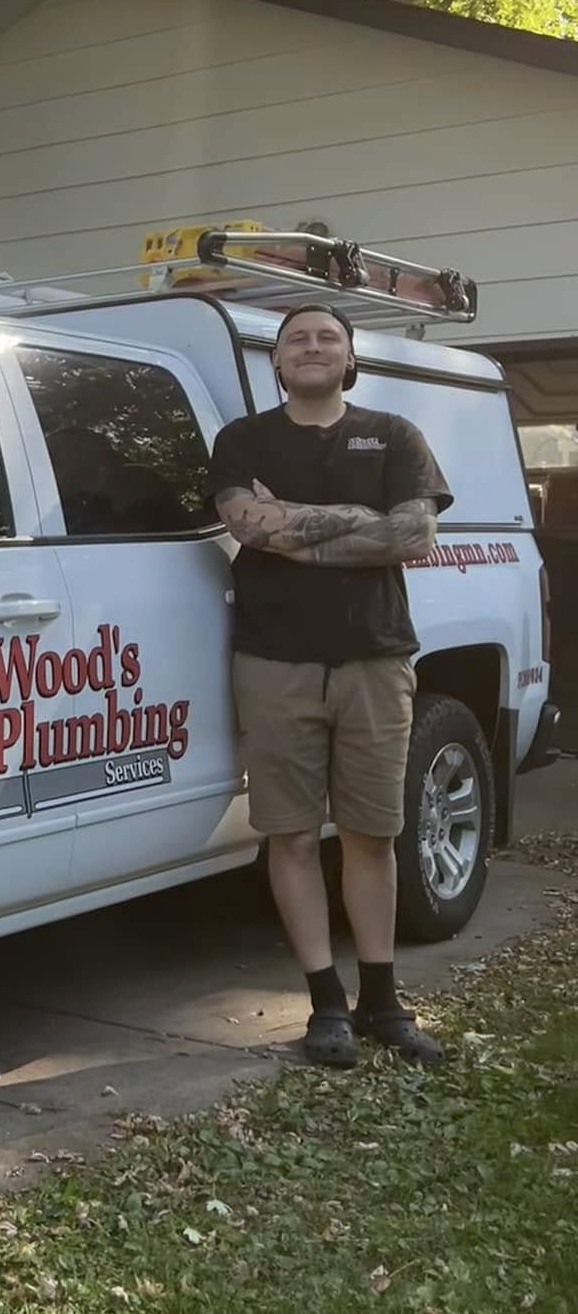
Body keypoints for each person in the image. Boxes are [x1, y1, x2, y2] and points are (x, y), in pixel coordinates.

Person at [208, 302, 453, 1067]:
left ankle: (383, 1001)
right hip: (274, 661)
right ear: (275, 362)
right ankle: (327, 1004)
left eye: (327, 339)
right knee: (288, 834)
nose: (312, 347)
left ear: (350, 359)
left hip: (376, 660)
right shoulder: (241, 439)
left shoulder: (396, 436)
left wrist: (295, 527)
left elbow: (413, 535)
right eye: (296, 340)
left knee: (373, 835)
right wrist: (357, 521)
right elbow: (248, 525)